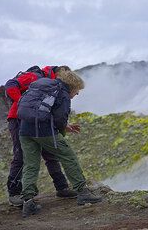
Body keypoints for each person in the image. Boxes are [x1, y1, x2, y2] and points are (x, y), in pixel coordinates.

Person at [18, 70, 102, 218]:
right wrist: (62, 130)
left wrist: (65, 127)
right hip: (43, 131)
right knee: (68, 156)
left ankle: (28, 202)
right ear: (72, 86)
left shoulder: (45, 86)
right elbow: (59, 118)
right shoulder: (62, 93)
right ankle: (82, 192)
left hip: (24, 130)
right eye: (77, 91)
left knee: (31, 165)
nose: (77, 94)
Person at [4, 65, 76, 207]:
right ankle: (15, 193)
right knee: (22, 156)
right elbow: (10, 85)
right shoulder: (36, 77)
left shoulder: (51, 84)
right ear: (58, 73)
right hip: (19, 120)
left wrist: (64, 125)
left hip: (39, 122)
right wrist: (22, 102)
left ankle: (62, 187)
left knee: (50, 153)